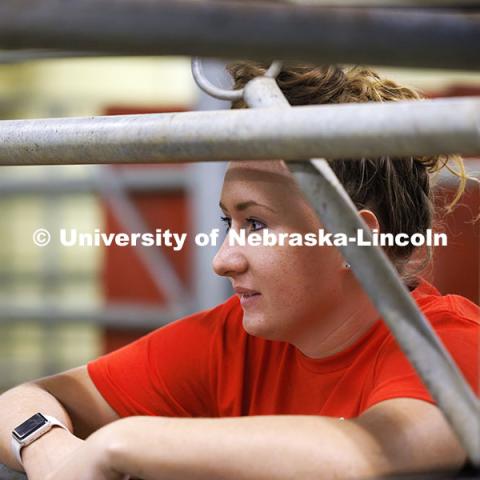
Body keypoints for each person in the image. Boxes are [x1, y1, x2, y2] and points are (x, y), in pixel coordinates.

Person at [0, 63, 479, 480]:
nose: (222, 259)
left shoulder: (450, 342)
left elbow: (373, 450)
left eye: (256, 223)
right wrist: (47, 450)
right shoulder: (235, 340)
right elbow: (25, 400)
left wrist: (119, 445)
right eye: (228, 222)